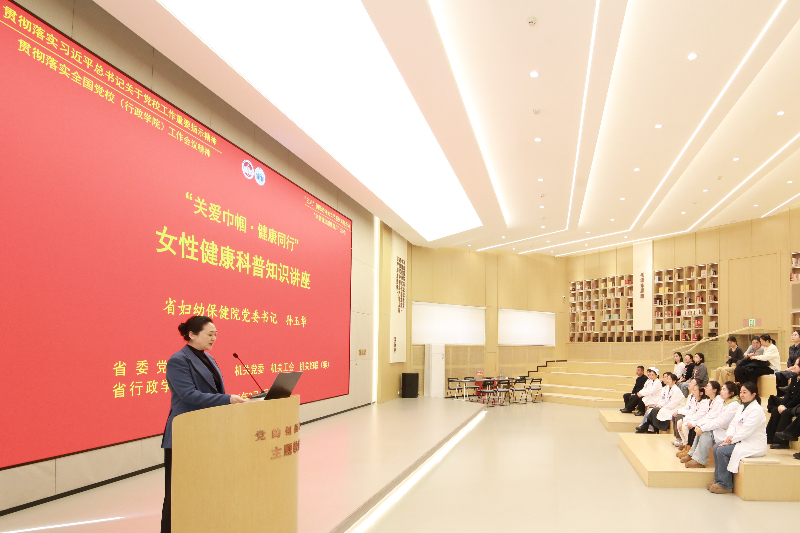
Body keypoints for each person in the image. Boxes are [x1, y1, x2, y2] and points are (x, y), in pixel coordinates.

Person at [161, 316, 246, 533]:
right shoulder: (178, 360)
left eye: (216, 334)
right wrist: (227, 399)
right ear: (192, 334)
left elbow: (213, 391)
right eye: (210, 334)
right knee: (178, 491)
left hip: (208, 430)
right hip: (185, 433)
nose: (214, 338)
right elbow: (188, 395)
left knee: (204, 488)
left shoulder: (209, 358)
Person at [709, 382, 767, 494]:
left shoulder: (757, 410)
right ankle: (718, 480)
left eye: (745, 392)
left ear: (753, 394)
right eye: (741, 392)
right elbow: (733, 424)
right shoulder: (741, 407)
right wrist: (729, 436)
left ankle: (725, 484)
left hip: (753, 444)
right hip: (739, 440)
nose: (742, 395)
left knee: (721, 451)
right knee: (716, 447)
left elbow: (747, 431)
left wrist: (731, 440)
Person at [683, 382, 740, 468]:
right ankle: (691, 454)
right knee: (702, 429)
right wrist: (701, 426)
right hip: (720, 429)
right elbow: (713, 417)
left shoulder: (734, 405)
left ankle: (700, 460)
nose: (721, 391)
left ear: (731, 393)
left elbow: (720, 421)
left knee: (705, 431)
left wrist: (703, 428)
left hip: (726, 433)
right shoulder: (724, 403)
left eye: (724, 390)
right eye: (722, 389)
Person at [766, 361, 800, 449]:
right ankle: (770, 437)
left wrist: (786, 406)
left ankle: (782, 442)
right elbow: (788, 394)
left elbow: (798, 398)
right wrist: (782, 404)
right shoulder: (794, 378)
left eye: (797, 365)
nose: (794, 366)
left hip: (797, 405)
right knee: (775, 410)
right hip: (791, 403)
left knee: (786, 412)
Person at [674, 383, 709, 450]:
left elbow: (698, 415)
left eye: (695, 390)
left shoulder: (704, 402)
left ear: (701, 393)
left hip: (699, 420)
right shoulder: (695, 399)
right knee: (679, 422)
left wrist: (685, 421)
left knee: (685, 425)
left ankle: (690, 447)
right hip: (693, 418)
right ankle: (685, 444)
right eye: (693, 390)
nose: (693, 392)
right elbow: (691, 412)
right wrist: (684, 420)